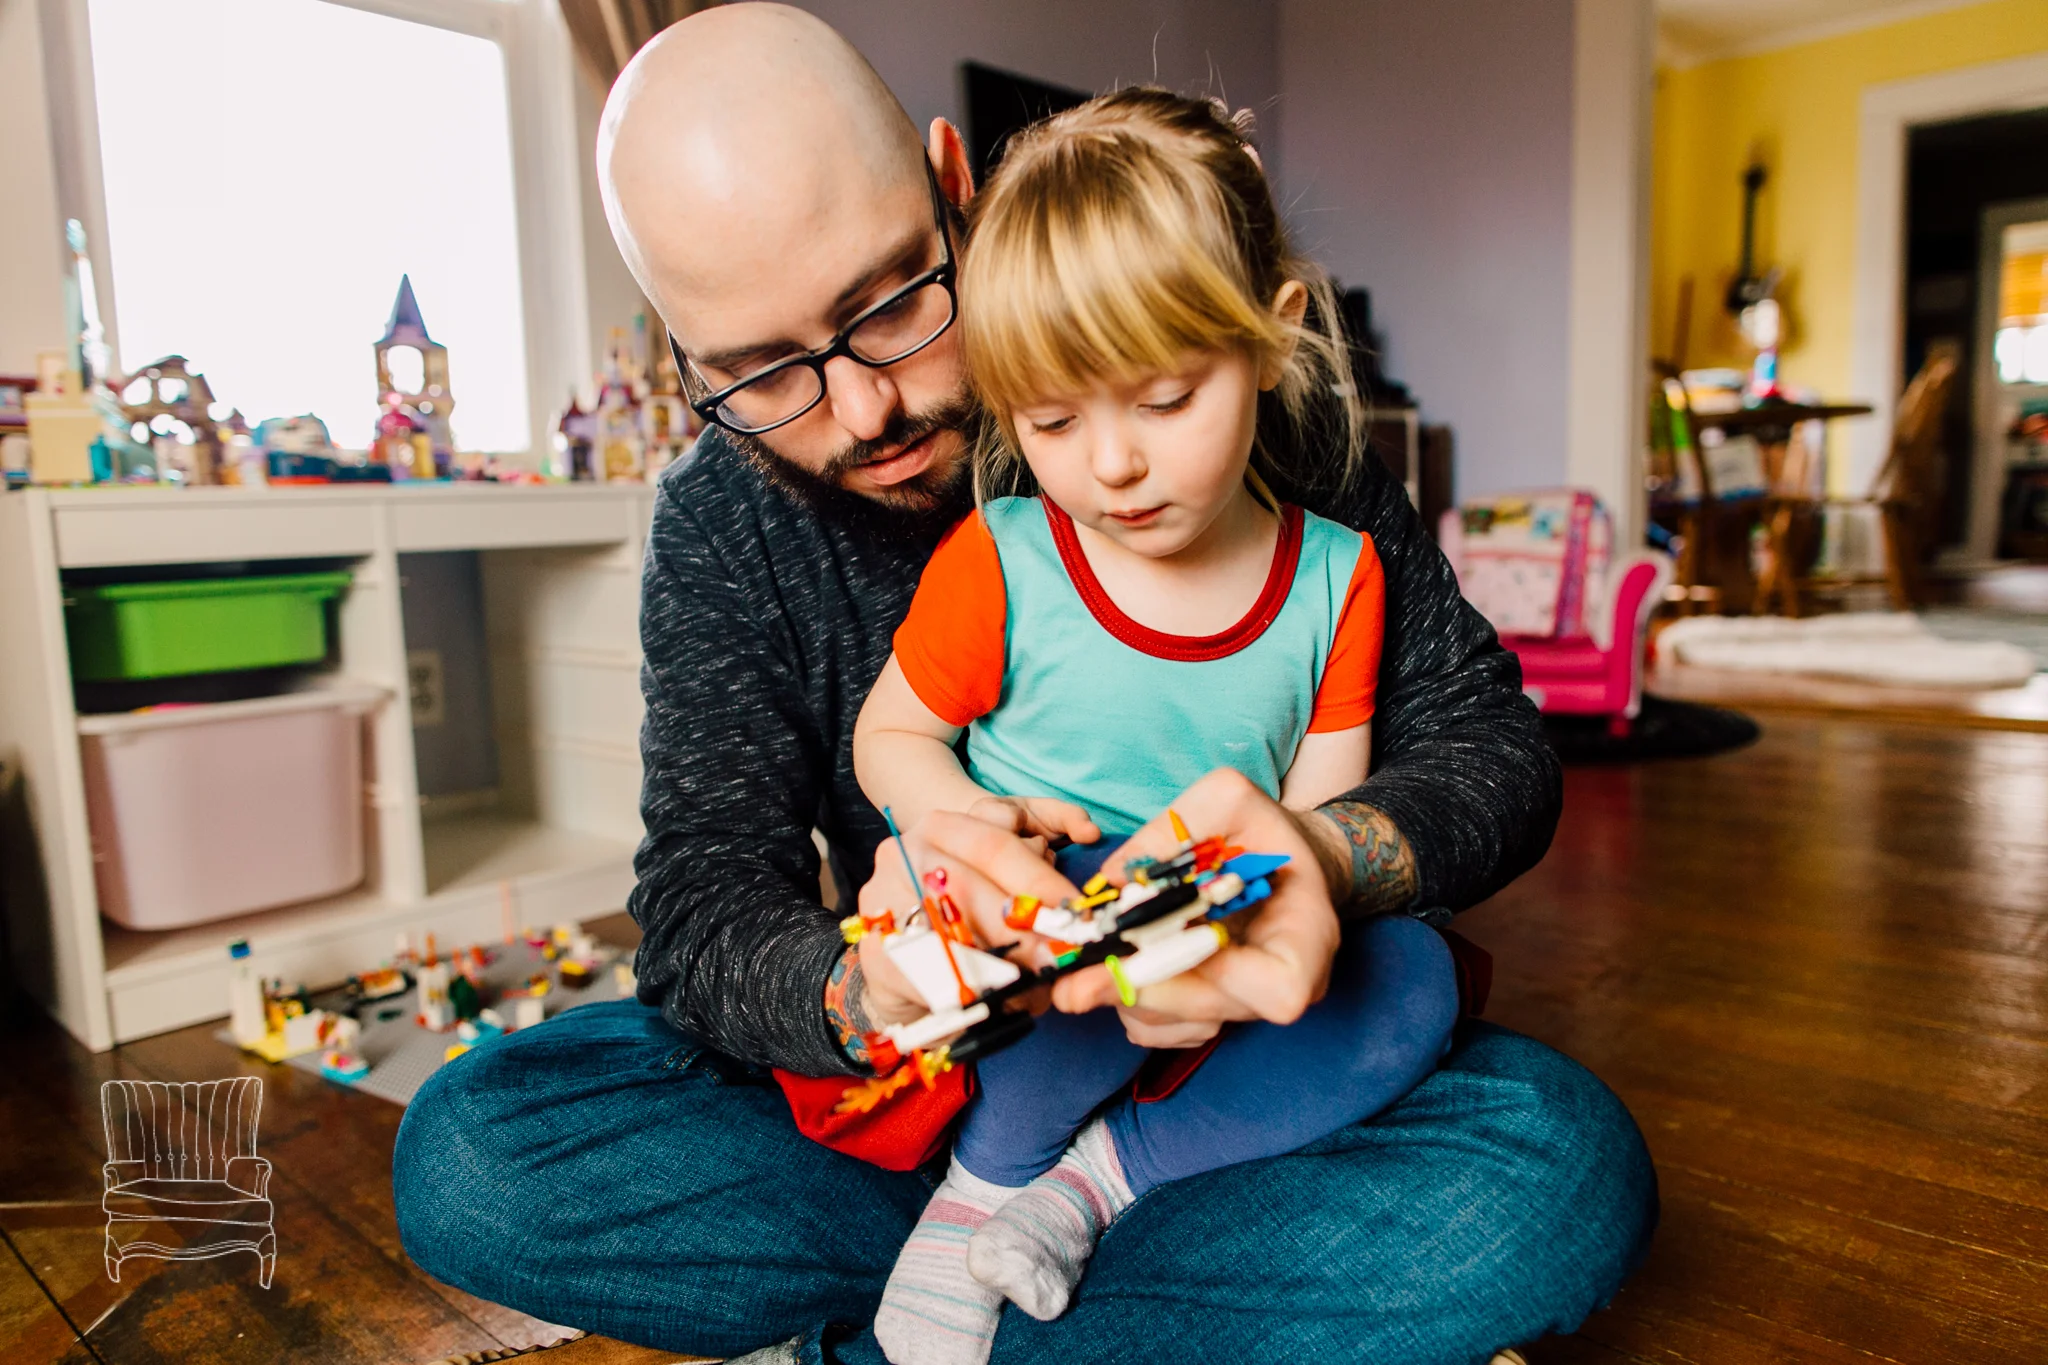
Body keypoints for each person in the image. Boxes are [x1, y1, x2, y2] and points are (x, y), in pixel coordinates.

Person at [391, 7, 1657, 1364]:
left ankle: (947, 1308)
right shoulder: (726, 522)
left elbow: (1493, 749)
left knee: (1561, 1167)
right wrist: (865, 987)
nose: (862, 412)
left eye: (887, 306)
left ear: (958, 189)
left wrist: (1319, 854)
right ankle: (1096, 1287)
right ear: (686, 357)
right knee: (475, 1152)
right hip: (955, 1086)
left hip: (1218, 1091)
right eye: (761, 373)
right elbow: (701, 908)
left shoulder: (1222, 395)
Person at [849, 89, 1461, 1365]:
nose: (1108, 467)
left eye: (1164, 399)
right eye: (1052, 421)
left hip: (1213, 954)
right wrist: (964, 826)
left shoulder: (1338, 576)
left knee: (1414, 986)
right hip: (1039, 933)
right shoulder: (1004, 557)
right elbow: (889, 739)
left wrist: (1250, 914)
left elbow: (1317, 823)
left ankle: (1096, 1186)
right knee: (998, 919)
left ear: (1273, 339)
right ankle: (982, 1184)